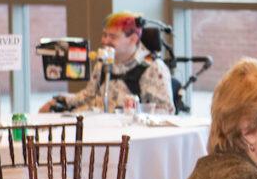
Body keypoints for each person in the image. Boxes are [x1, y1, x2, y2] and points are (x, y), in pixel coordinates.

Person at [39, 11, 174, 114]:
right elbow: (89, 94)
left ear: (133, 39)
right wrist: (60, 100)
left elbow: (165, 111)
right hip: (94, 121)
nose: (104, 41)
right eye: (104, 35)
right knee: (45, 114)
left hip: (126, 132)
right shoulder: (104, 61)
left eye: (112, 37)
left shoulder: (152, 68)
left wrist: (130, 114)